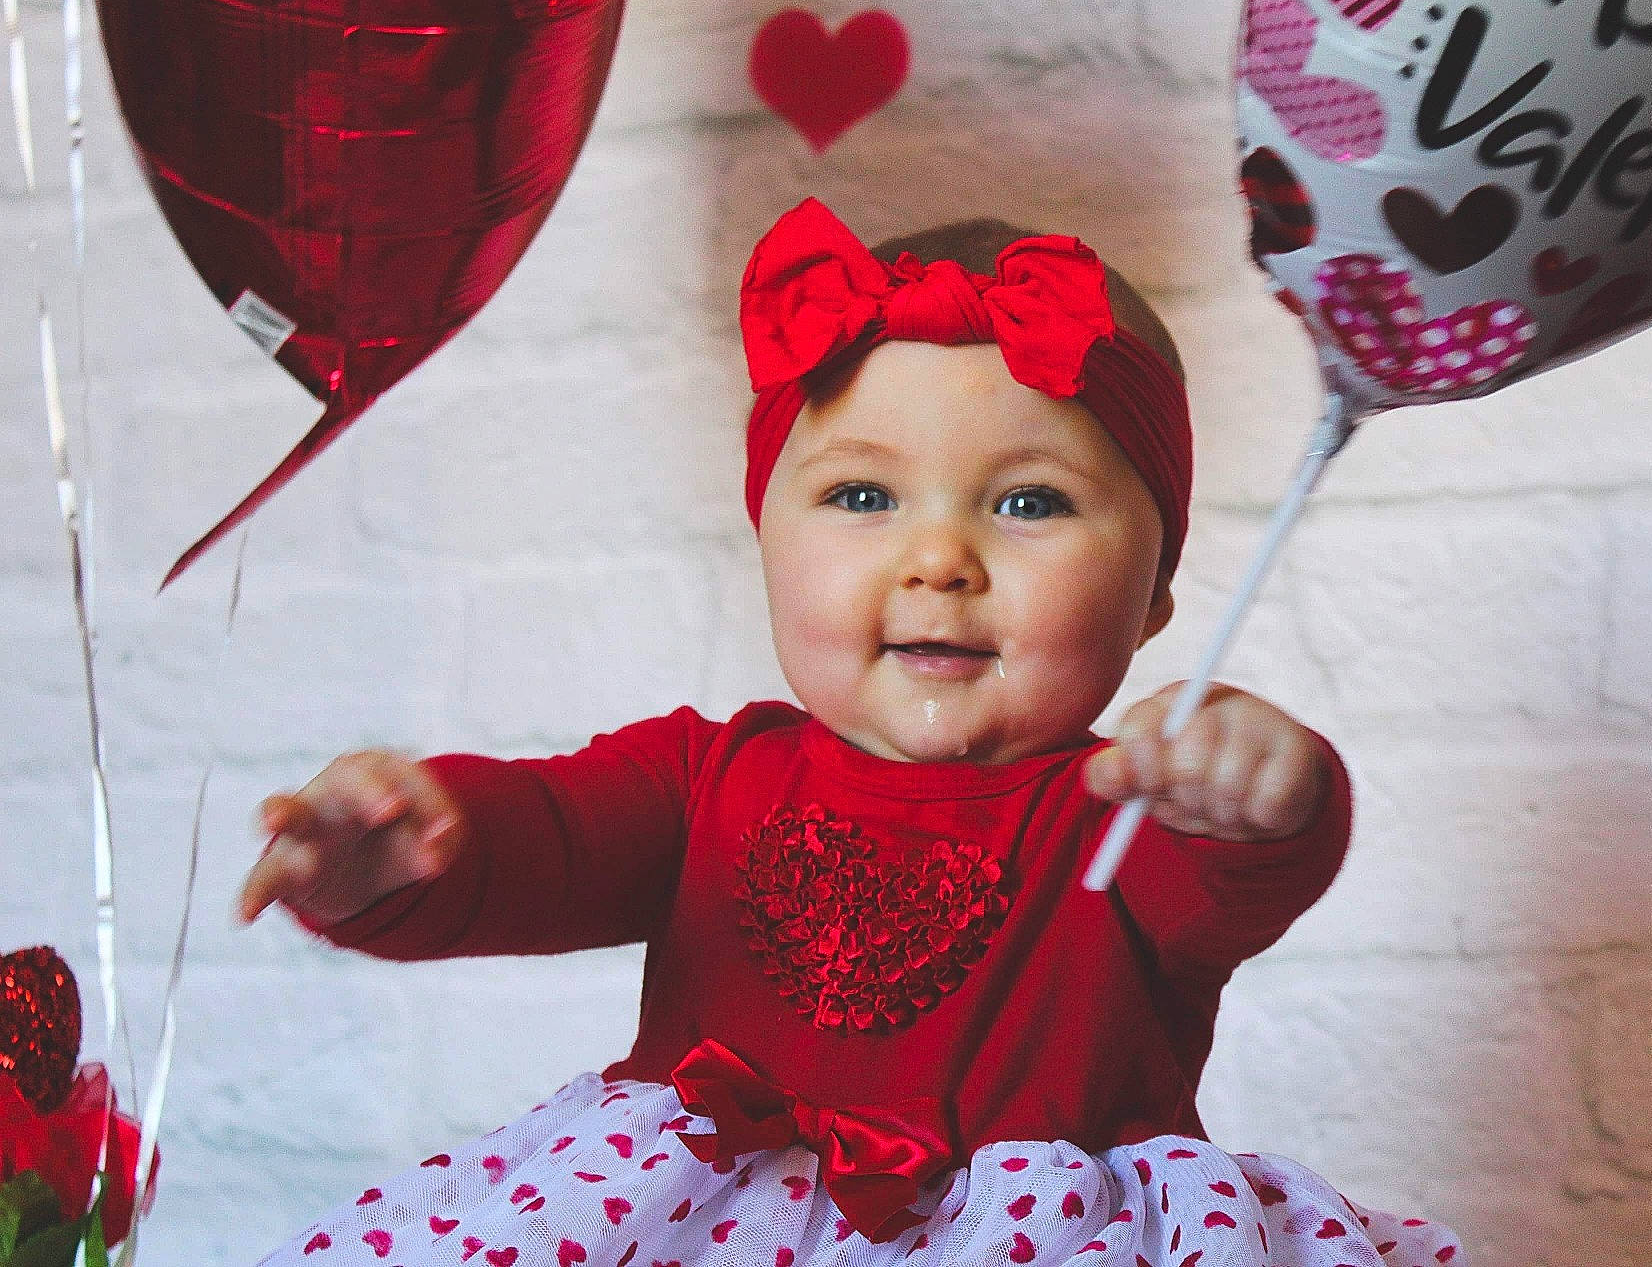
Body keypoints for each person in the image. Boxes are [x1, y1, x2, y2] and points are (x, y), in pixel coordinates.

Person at [242, 199, 1462, 1267]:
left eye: (1029, 501)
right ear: (766, 540)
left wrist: (1260, 796)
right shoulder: (700, 780)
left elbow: (1227, 880)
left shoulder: (1125, 814)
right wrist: (402, 857)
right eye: (861, 497)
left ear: (1151, 598)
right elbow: (541, 838)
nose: (937, 559)